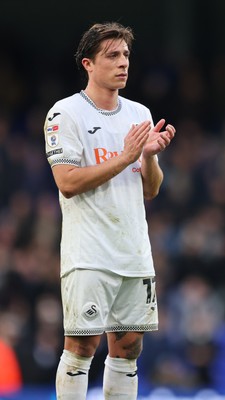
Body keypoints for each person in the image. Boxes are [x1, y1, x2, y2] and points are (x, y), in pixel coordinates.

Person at [43, 21, 175, 400]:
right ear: (88, 63)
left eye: (126, 55)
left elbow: (151, 189)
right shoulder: (65, 114)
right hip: (89, 252)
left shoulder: (139, 113)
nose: (123, 63)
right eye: (112, 55)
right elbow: (66, 182)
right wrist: (125, 157)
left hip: (133, 251)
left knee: (129, 348)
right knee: (82, 347)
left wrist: (148, 158)